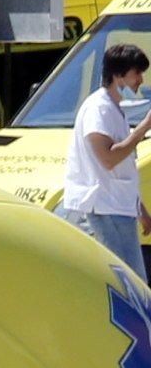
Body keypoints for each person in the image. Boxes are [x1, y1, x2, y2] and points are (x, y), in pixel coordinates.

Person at [65, 39, 147, 280]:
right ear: (119, 75)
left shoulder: (114, 108)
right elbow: (108, 159)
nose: (140, 80)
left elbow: (121, 167)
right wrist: (144, 128)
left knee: (132, 282)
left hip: (117, 205)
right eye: (136, 74)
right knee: (129, 283)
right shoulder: (98, 109)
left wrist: (140, 209)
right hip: (104, 207)